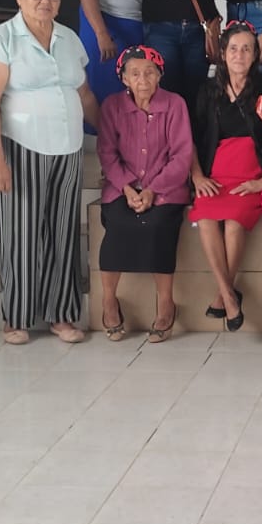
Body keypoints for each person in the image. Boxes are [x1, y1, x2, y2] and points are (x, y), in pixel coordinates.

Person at [0, 0, 99, 345]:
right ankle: (17, 317)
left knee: (62, 232)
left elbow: (84, 94)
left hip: (68, 147)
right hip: (21, 148)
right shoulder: (1, 39)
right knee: (22, 234)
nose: (45, 0)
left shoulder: (69, 38)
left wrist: (109, 136)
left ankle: (62, 315)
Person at [190, 21, 262, 333]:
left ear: (256, 54)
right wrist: (197, 177)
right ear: (223, 53)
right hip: (216, 172)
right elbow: (190, 140)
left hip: (251, 171)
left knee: (234, 223)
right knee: (205, 217)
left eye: (247, 49)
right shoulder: (208, 89)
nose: (239, 55)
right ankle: (229, 295)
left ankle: (224, 295)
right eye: (233, 48)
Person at [96, 46, 194, 344]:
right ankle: (109, 301)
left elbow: (182, 156)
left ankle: (165, 305)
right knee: (118, 224)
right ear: (124, 78)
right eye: (135, 74)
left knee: (158, 226)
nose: (143, 79)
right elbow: (107, 153)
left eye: (150, 72)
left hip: (165, 189)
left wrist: (152, 190)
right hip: (121, 188)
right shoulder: (112, 106)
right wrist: (128, 188)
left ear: (160, 75)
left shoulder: (175, 104)